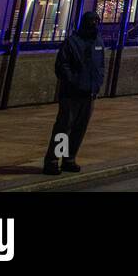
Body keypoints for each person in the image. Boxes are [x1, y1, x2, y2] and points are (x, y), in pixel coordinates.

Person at [43, 11, 105, 175]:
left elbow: (100, 65)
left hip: (90, 92)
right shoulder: (72, 42)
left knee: (80, 128)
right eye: (92, 21)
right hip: (72, 93)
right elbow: (62, 66)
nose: (95, 24)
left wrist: (98, 83)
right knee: (64, 127)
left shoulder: (98, 42)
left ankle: (69, 158)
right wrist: (74, 82)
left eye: (97, 21)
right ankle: (54, 160)